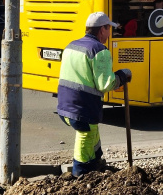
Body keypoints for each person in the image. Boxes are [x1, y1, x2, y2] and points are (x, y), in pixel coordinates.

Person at [56, 12, 132, 177]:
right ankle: (82, 173)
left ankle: (97, 161)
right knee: (86, 137)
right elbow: (106, 84)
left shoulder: (72, 45)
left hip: (64, 106)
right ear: (102, 30)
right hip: (83, 109)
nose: (110, 33)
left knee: (92, 132)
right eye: (108, 29)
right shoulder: (99, 51)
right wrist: (122, 76)